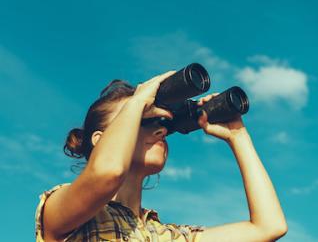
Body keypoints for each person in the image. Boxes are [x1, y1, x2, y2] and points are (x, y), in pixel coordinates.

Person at [34, 71, 288, 241]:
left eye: (159, 122)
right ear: (99, 140)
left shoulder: (167, 235)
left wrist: (238, 136)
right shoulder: (61, 210)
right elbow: (106, 173)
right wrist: (137, 101)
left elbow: (269, 226)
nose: (161, 129)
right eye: (142, 121)